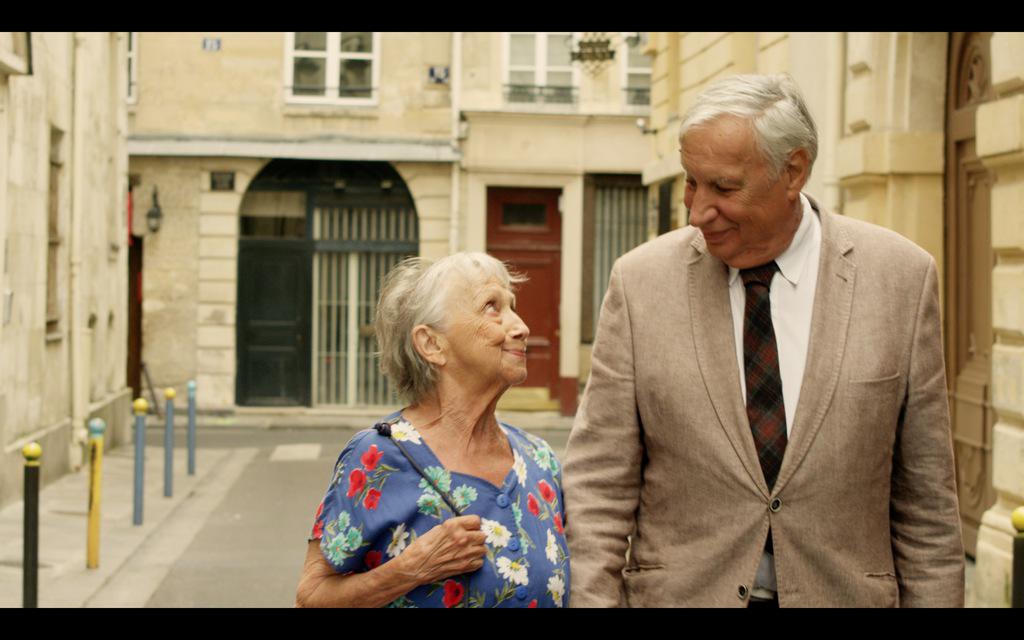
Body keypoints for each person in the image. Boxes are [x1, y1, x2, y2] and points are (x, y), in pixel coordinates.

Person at [563, 73, 964, 607]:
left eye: (723, 187)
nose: (697, 210)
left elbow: (927, 503)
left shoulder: (901, 278)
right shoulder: (640, 283)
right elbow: (598, 485)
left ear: (793, 170)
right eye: (690, 181)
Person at [295, 252, 570, 608]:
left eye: (512, 306)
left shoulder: (539, 460)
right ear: (431, 344)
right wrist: (409, 569)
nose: (520, 327)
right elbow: (311, 597)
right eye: (492, 306)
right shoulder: (378, 457)